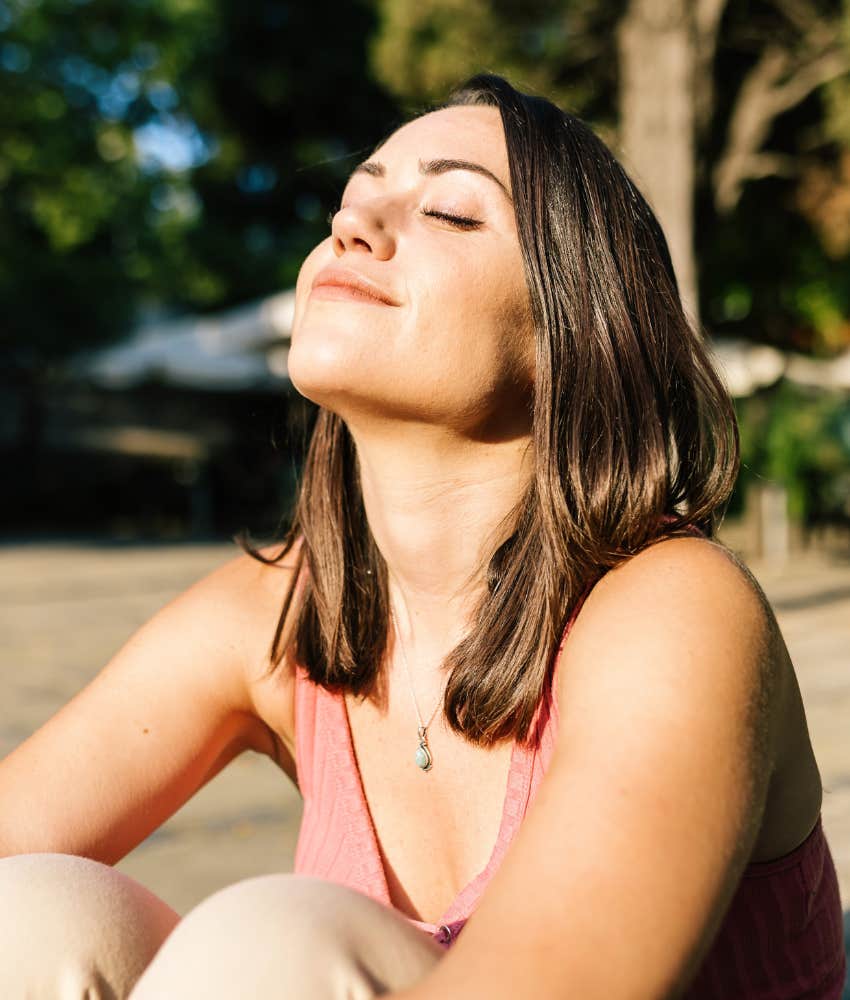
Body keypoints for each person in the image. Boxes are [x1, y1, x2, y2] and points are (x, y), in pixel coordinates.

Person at [0, 71, 845, 999]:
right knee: (35, 916)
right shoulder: (279, 612)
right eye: (351, 202)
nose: (350, 229)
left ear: (569, 329)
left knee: (274, 949)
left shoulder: (675, 609)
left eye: (450, 212)